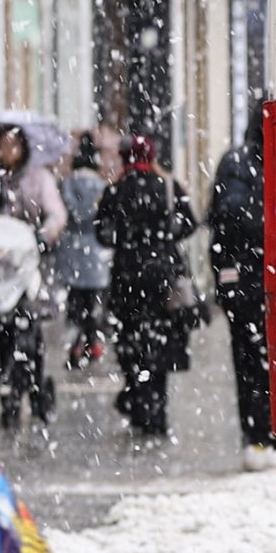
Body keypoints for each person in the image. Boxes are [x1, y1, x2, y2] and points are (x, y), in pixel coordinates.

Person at [98, 135, 199, 437]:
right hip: (162, 278)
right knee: (160, 345)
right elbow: (191, 223)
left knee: (131, 343)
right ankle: (157, 409)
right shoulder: (168, 186)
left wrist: (128, 239)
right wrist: (164, 238)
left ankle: (138, 401)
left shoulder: (115, 190)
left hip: (126, 278)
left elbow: (102, 234)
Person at [0, 125, 66, 402]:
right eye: (3, 145)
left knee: (29, 320)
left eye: (13, 145)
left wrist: (43, 235)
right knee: (4, 322)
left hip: (29, 261)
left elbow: (56, 215)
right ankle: (8, 376)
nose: (8, 152)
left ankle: (31, 376)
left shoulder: (39, 179)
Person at [209, 126, 273, 447]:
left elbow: (220, 226)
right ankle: (272, 435)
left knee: (246, 358)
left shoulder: (233, 163)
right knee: (271, 358)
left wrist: (223, 277)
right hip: (269, 278)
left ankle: (255, 433)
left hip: (244, 279)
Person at [54, 135, 113, 368]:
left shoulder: (67, 183)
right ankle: (92, 341)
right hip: (96, 249)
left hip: (72, 248)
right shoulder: (100, 185)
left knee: (75, 299)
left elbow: (67, 210)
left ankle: (78, 342)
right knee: (92, 301)